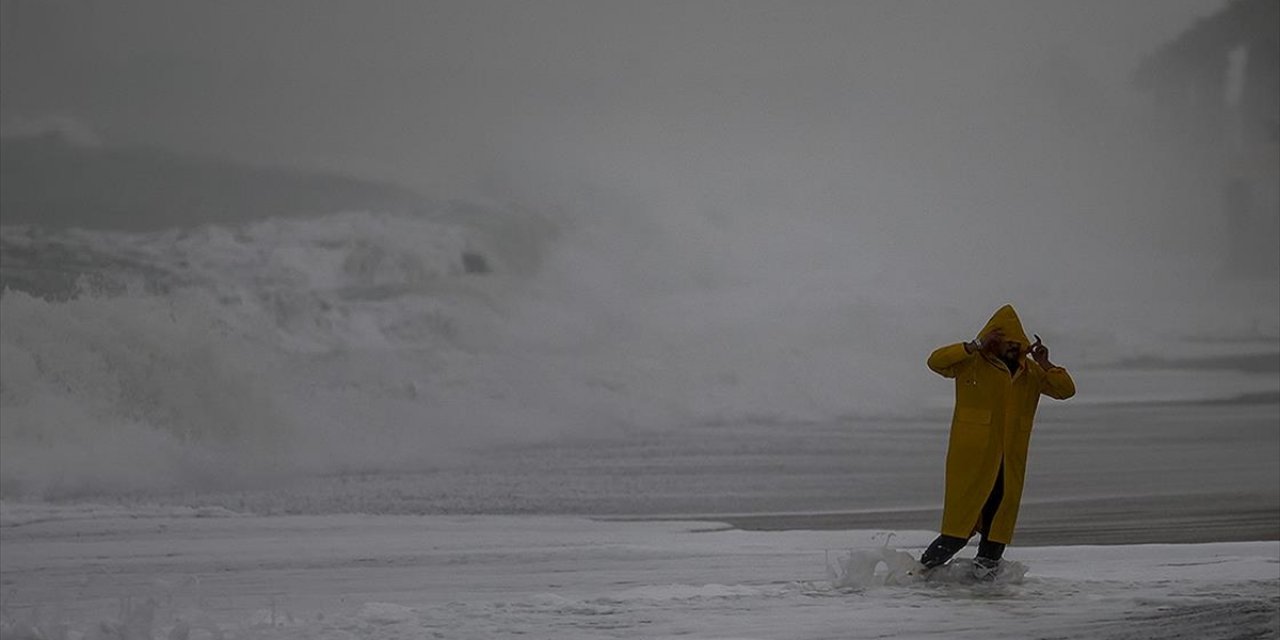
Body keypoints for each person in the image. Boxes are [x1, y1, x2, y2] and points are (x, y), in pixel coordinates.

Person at [919, 304, 1076, 579]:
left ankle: (984, 590)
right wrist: (974, 346)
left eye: (1018, 344)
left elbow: (1066, 390)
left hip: (1009, 463)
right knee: (956, 532)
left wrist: (1045, 363)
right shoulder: (971, 363)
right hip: (973, 460)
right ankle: (919, 576)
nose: (1013, 350)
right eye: (1007, 344)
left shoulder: (1031, 374)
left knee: (996, 532)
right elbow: (935, 361)